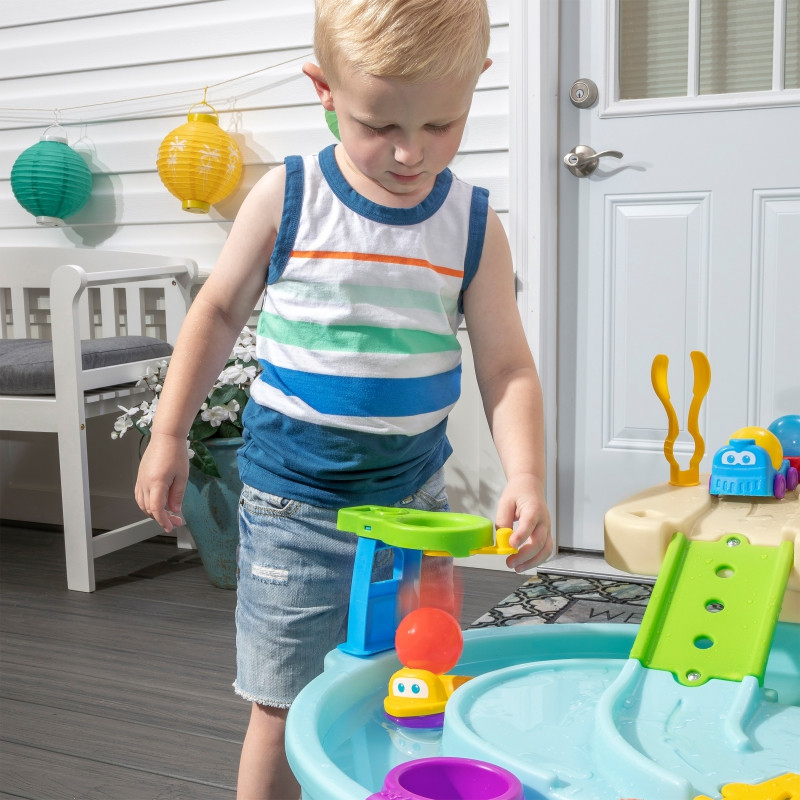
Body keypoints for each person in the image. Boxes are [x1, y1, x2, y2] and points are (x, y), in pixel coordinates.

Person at [135, 0, 552, 796]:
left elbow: (507, 368)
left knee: (412, 684)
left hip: (415, 509)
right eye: (378, 124)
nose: (409, 151)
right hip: (294, 509)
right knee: (283, 703)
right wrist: (169, 432)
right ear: (324, 90)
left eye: (441, 124)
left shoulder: (472, 224)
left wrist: (526, 475)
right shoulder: (288, 196)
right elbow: (216, 312)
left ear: (476, 85)